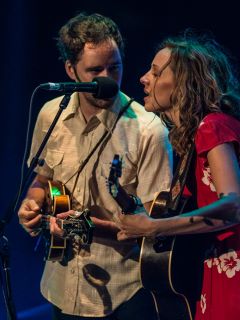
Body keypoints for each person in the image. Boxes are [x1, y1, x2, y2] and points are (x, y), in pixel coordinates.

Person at [17, 12, 172, 320]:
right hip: (62, 285)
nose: (106, 78)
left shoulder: (148, 130)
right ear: (70, 70)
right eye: (95, 69)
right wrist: (32, 203)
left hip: (123, 294)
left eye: (114, 68)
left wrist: (81, 225)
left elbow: (158, 233)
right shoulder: (51, 114)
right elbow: (44, 178)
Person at [117, 32, 240, 320]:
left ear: (186, 83)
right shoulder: (190, 138)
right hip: (216, 267)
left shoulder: (212, 126)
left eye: (156, 72)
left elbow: (234, 205)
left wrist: (154, 228)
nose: (144, 78)